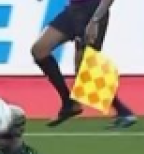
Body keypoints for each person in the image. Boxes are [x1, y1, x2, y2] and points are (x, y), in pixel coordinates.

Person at [30, 0, 136, 129]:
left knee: (84, 69)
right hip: (73, 10)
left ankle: (123, 112)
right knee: (39, 50)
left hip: (93, 11)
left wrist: (95, 20)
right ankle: (69, 103)